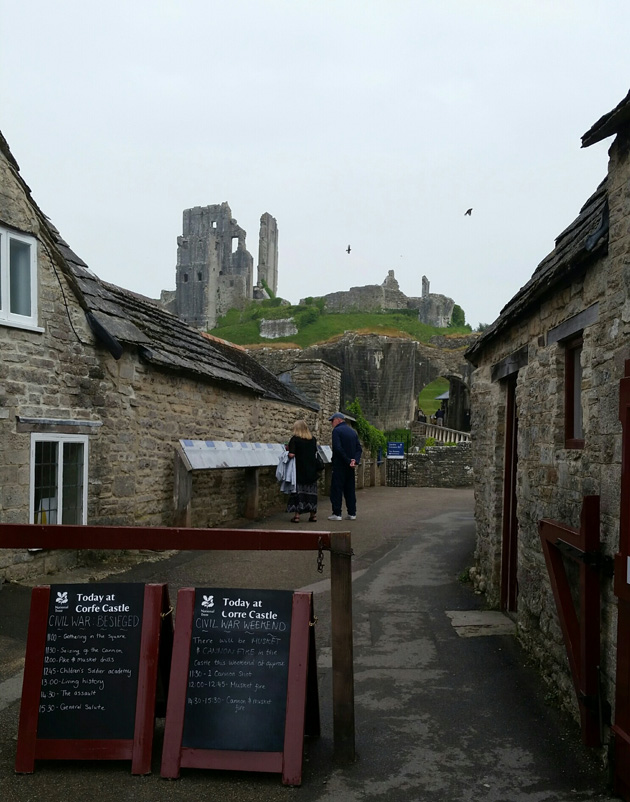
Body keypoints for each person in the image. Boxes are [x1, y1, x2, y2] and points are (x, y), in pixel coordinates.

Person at [327, 412, 362, 521]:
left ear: (338, 420)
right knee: (349, 490)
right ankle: (352, 513)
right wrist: (354, 461)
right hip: (350, 467)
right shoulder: (352, 432)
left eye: (332, 421)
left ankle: (337, 513)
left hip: (340, 465)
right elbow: (358, 449)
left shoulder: (337, 431)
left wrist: (347, 460)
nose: (332, 423)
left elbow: (337, 448)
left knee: (337, 489)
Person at [286, 419, 319, 523]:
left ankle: (297, 516)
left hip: (299, 470)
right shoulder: (313, 439)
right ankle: (313, 515)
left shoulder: (295, 439)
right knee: (311, 493)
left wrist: (287, 451)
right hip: (312, 470)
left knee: (299, 493)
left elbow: (292, 454)